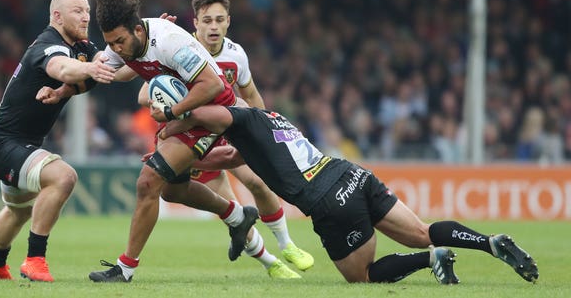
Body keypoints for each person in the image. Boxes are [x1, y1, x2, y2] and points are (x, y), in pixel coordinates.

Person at [157, 104, 540, 284]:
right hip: (351, 173)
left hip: (328, 201)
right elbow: (230, 156)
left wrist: (173, 125)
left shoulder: (237, 117)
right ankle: (488, 242)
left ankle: (429, 262)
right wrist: (184, 162)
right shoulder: (267, 121)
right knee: (422, 229)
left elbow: (217, 118)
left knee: (361, 276)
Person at [85, 0, 259, 283]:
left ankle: (124, 269)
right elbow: (104, 73)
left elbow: (213, 86)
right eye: (110, 43)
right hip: (187, 114)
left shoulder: (169, 42)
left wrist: (170, 113)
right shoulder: (124, 43)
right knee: (172, 190)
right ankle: (237, 216)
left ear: (138, 30)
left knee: (148, 182)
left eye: (120, 41)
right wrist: (61, 87)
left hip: (213, 111)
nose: (116, 49)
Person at [165, 0, 313, 278]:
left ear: (228, 21)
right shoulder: (178, 51)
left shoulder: (236, 55)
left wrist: (264, 129)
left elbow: (252, 94)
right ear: (194, 23)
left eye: (219, 20)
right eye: (206, 20)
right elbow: (151, 93)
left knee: (258, 182)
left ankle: (287, 244)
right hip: (192, 138)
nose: (213, 27)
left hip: (228, 131)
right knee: (231, 210)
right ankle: (271, 264)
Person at [0, 0, 117, 282]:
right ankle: (35, 259)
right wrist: (87, 68)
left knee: (18, 211)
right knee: (64, 177)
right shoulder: (46, 45)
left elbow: (106, 62)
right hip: (1, 144)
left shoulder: (82, 46)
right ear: (57, 16)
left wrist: (144, 39)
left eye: (87, 10)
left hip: (19, 144)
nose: (86, 16)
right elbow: (62, 68)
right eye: (78, 10)